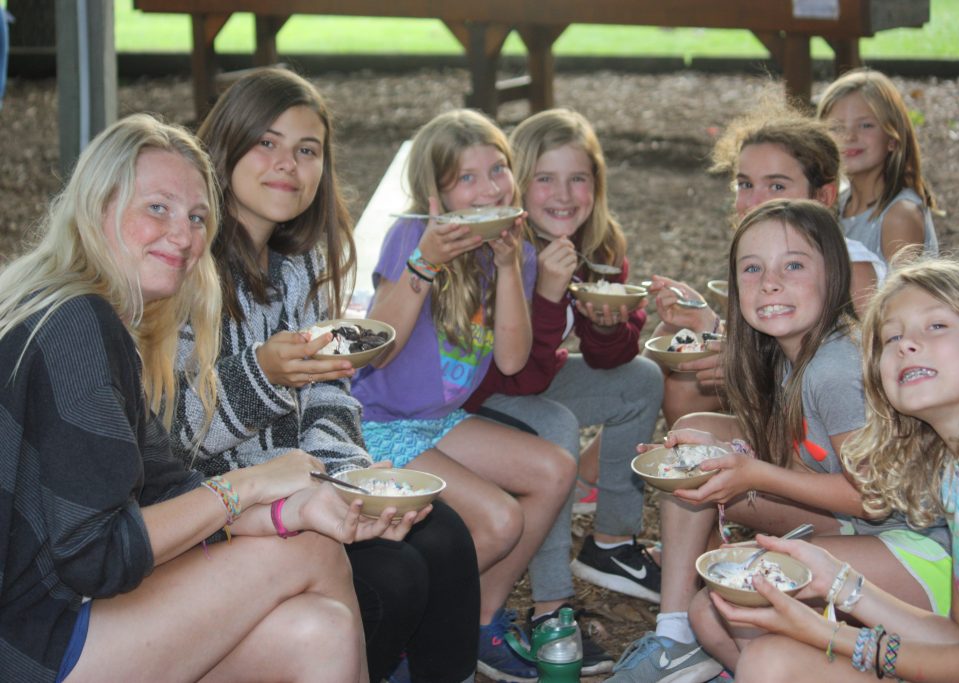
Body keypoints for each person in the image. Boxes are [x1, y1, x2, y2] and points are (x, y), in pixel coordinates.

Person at [0, 113, 377, 682]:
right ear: (96, 205)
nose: (184, 235)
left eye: (198, 216)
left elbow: (164, 489)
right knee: (309, 554)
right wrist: (249, 484)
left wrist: (290, 508)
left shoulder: (90, 316)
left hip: (62, 612)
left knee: (321, 632)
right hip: (31, 640)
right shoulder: (75, 322)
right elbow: (96, 554)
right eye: (158, 208)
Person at [170, 68, 480, 683]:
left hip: (302, 487)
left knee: (442, 535)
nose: (288, 163)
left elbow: (331, 391)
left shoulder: (298, 264)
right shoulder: (182, 266)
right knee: (394, 576)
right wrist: (263, 375)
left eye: (306, 150)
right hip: (214, 513)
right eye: (267, 142)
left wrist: (346, 481)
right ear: (225, 148)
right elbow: (172, 435)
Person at [608, 200, 950, 683]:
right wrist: (728, 460)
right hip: (859, 530)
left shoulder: (836, 367)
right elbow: (809, 463)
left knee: (743, 598)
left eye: (793, 265)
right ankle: (677, 633)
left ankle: (784, 666)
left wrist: (754, 473)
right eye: (752, 268)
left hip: (923, 553)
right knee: (710, 607)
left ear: (832, 274)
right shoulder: (786, 353)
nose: (770, 282)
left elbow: (873, 499)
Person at [712, 258, 959, 683]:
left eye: (936, 326)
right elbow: (955, 635)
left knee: (773, 664)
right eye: (890, 337)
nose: (905, 344)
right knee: (769, 660)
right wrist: (838, 582)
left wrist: (829, 634)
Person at [350, 108, 577, 682]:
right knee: (500, 522)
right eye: (465, 178)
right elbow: (378, 348)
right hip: (375, 422)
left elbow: (509, 360)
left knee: (553, 468)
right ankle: (398, 626)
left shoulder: (515, 252)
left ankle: (477, 621)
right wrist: (427, 260)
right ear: (436, 196)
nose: (488, 187)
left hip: (438, 420)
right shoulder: (411, 237)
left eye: (496, 170)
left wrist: (507, 268)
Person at [458, 108, 662, 674]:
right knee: (555, 425)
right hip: (479, 399)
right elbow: (516, 376)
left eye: (579, 178)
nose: (564, 194)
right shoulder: (502, 253)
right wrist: (548, 297)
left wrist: (604, 327)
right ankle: (551, 604)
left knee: (642, 379)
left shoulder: (597, 244)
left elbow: (611, 359)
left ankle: (614, 543)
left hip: (535, 378)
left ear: (596, 184)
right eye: (545, 179)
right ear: (520, 186)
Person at [649, 97, 886, 430]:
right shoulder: (761, 252)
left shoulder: (852, 269)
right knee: (679, 350)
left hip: (838, 433)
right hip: (783, 406)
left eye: (776, 186)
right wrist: (708, 324)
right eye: (745, 184)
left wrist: (741, 366)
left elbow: (866, 384)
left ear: (823, 197)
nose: (754, 201)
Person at [817, 67, 939, 264]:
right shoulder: (838, 204)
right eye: (836, 127)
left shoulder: (899, 216)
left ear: (893, 138)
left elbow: (901, 293)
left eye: (866, 125)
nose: (849, 136)